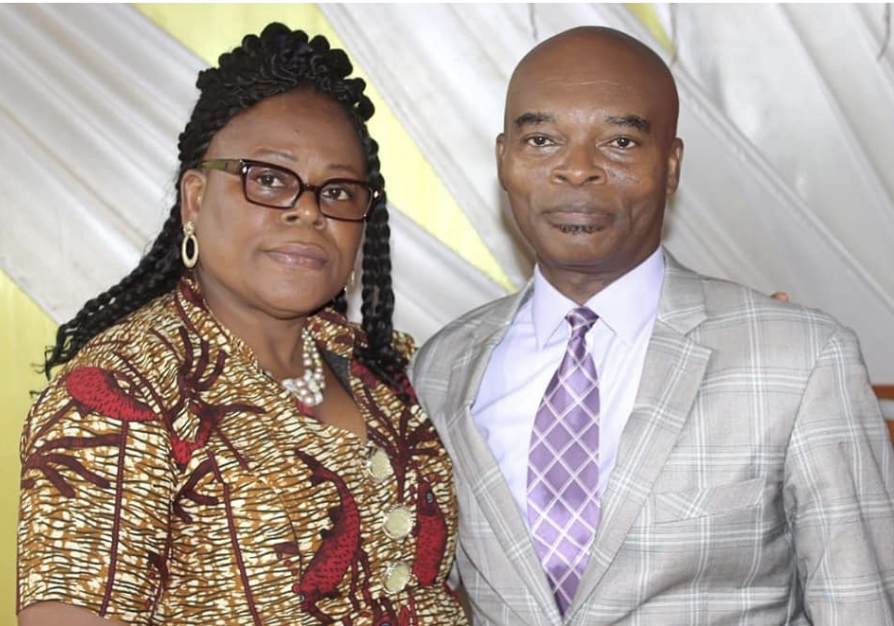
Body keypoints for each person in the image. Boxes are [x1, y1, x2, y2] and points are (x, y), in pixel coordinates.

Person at [412, 25, 894, 625]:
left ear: (670, 166)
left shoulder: (799, 359)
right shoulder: (442, 366)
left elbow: (860, 607)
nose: (578, 169)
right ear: (504, 160)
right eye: (541, 138)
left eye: (619, 141)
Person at [17, 23, 466, 626]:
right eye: (270, 179)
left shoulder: (390, 372)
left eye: (337, 191)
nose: (308, 210)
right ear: (195, 199)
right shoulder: (123, 390)